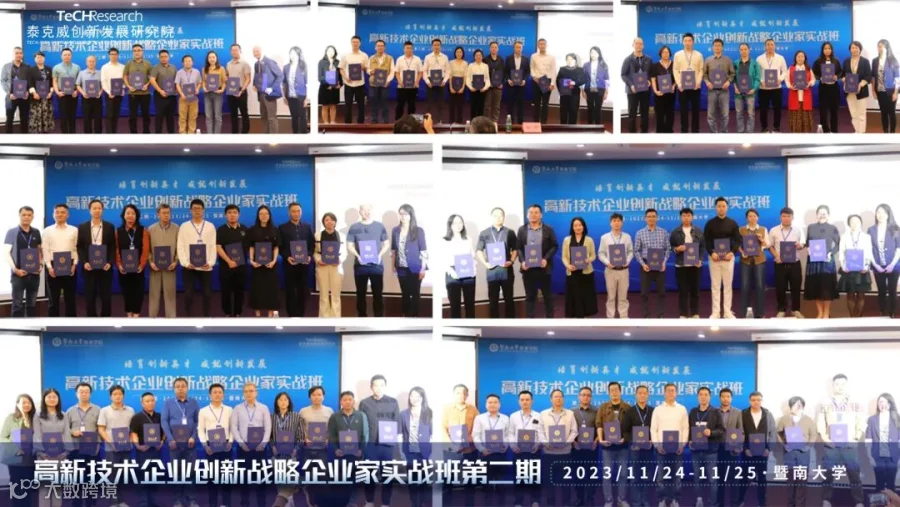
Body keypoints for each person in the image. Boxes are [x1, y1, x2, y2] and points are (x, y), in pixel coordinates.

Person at [817, 374, 866, 507]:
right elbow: (820, 423)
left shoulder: (855, 402)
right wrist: (826, 439)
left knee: (854, 474)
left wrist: (856, 438)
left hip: (849, 444)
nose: (840, 387)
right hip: (831, 445)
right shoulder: (825, 403)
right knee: (828, 473)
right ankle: (826, 500)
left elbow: (861, 421)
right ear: (833, 386)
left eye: (843, 384)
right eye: (837, 384)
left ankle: (859, 501)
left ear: (847, 385)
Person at [359, 375, 401, 507]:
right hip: (370, 445)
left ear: (385, 386)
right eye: (376, 385)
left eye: (381, 385)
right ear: (371, 387)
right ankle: (369, 501)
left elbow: (397, 422)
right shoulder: (364, 403)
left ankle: (385, 503)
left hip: (387, 445)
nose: (379, 388)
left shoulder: (393, 402)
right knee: (369, 474)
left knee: (387, 475)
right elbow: (361, 423)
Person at [160, 377, 200, 507]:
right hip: (174, 445)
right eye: (177, 386)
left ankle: (191, 499)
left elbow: (197, 421)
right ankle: (177, 500)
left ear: (187, 388)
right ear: (174, 389)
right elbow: (164, 421)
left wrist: (193, 436)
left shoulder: (193, 402)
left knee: (191, 472)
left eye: (183, 386)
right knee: (176, 472)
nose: (180, 388)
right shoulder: (168, 403)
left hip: (190, 443)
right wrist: (170, 438)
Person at [231, 383, 271, 507]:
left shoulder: (263, 408)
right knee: (244, 478)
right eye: (246, 391)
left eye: (251, 391)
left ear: (256, 393)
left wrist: (263, 443)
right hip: (244, 448)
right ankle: (244, 503)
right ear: (243, 393)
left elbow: (268, 427)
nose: (249, 393)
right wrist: (241, 443)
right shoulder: (237, 408)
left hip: (260, 448)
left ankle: (261, 504)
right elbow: (234, 427)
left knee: (261, 478)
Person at [346, 204, 390, 317]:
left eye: (369, 210)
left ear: (372, 211)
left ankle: (378, 318)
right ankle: (362, 318)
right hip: (360, 266)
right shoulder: (354, 227)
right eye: (364, 210)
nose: (367, 212)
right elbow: (349, 245)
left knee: (378, 294)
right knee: (360, 294)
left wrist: (379, 255)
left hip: (376, 266)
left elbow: (386, 244)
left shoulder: (379, 226)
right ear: (360, 212)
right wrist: (358, 256)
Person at [517, 204, 559, 318]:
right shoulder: (522, 230)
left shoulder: (548, 229)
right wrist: (522, 261)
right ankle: (530, 321)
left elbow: (554, 246)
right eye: (531, 212)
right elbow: (519, 248)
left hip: (544, 268)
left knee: (547, 296)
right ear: (527, 215)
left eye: (536, 212)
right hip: (528, 269)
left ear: (541, 215)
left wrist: (546, 258)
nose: (533, 215)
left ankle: (550, 320)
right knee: (530, 296)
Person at [650, 383, 689, 507]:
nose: (671, 393)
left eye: (673, 391)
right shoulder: (658, 409)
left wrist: (682, 444)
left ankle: (675, 499)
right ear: (664, 393)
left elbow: (685, 428)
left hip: (678, 449)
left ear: (676, 393)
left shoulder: (682, 409)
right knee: (661, 476)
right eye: (668, 391)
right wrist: (657, 445)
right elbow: (653, 429)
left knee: (676, 476)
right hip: (661, 450)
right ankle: (662, 499)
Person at [97, 384, 135, 507]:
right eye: (115, 394)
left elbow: (132, 429)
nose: (117, 396)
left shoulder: (130, 410)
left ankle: (121, 501)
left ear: (123, 395)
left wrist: (130, 440)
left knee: (123, 475)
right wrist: (111, 442)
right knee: (112, 475)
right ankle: (113, 502)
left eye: (120, 394)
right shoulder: (104, 410)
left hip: (126, 448)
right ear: (110, 396)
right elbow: (101, 429)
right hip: (111, 448)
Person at [63, 383, 101, 507]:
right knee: (76, 480)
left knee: (92, 480)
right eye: (81, 391)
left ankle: (91, 504)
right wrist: (72, 432)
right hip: (75, 450)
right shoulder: (70, 411)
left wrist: (97, 446)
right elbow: (65, 429)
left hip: (92, 451)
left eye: (86, 391)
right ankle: (76, 504)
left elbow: (100, 430)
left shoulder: (98, 410)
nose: (84, 394)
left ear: (90, 394)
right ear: (76, 394)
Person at [177, 199, 216, 317]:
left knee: (207, 294)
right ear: (190, 210)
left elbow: (213, 246)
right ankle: (188, 315)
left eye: (199, 208)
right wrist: (185, 263)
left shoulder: (210, 226)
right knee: (189, 294)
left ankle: (206, 317)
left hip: (206, 266)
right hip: (189, 267)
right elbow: (180, 246)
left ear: (203, 210)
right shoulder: (184, 226)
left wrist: (210, 262)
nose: (197, 211)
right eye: (194, 209)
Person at [476, 207, 517, 319]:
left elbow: (515, 249)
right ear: (491, 217)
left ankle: (511, 323)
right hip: (492, 271)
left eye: (500, 215)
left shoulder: (510, 232)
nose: (498, 218)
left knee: (509, 299)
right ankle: (495, 322)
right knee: (493, 300)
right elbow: (479, 250)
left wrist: (511, 261)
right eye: (495, 215)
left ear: (504, 217)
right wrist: (485, 264)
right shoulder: (484, 233)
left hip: (506, 270)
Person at [737, 392, 777, 507]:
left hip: (763, 452)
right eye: (753, 400)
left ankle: (762, 502)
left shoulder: (767, 414)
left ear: (761, 401)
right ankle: (740, 500)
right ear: (749, 401)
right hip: (747, 452)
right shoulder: (743, 414)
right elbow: (740, 432)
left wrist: (769, 448)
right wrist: (745, 448)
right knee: (744, 477)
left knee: (762, 478)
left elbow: (773, 432)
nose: (756, 402)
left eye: (758, 400)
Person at [776, 396, 817, 507]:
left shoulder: (808, 420)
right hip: (789, 453)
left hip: (803, 453)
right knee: (790, 480)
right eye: (795, 405)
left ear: (803, 406)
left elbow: (814, 435)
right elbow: (778, 433)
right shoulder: (784, 419)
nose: (797, 407)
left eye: (800, 405)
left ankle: (800, 504)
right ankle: (790, 504)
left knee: (802, 481)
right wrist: (784, 444)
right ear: (790, 407)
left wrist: (808, 446)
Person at [441, 384, 478, 507]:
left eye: (464, 393)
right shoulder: (447, 409)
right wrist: (451, 444)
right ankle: (446, 504)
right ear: (454, 394)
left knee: (470, 481)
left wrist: (469, 440)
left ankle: (469, 504)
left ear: (467, 395)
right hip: (451, 451)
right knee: (447, 480)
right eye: (458, 393)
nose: (461, 395)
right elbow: (443, 428)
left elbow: (477, 428)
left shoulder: (473, 409)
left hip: (469, 450)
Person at [77, 199, 115, 317]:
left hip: (105, 266)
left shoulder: (109, 226)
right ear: (90, 210)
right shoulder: (82, 227)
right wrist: (84, 262)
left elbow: (113, 247)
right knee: (90, 295)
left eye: (99, 208)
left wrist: (109, 262)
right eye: (94, 208)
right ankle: (91, 319)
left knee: (106, 295)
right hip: (89, 266)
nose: (97, 210)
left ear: (102, 210)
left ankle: (106, 318)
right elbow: (80, 247)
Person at [705, 197, 741, 319]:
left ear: (727, 208)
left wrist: (732, 252)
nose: (721, 208)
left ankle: (727, 312)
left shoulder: (732, 223)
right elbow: (706, 240)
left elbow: (737, 240)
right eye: (719, 206)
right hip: (714, 258)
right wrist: (711, 253)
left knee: (728, 285)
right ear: (716, 208)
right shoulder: (710, 223)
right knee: (715, 286)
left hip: (728, 258)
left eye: (723, 206)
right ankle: (715, 312)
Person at [595, 382, 631, 507]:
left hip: (623, 447)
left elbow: (631, 427)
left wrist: (625, 438)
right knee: (607, 475)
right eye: (612, 390)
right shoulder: (603, 407)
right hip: (607, 447)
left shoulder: (627, 407)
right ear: (608, 392)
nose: (614, 392)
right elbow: (599, 424)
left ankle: (621, 499)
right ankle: (608, 501)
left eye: (616, 390)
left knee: (623, 474)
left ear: (620, 391)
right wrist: (600, 439)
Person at [688, 387, 724, 507]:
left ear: (710, 397)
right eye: (701, 394)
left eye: (706, 394)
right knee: (697, 478)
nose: (703, 397)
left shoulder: (715, 411)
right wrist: (689, 440)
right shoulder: (693, 412)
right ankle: (699, 500)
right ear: (698, 396)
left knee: (712, 480)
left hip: (711, 452)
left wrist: (711, 432)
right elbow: (689, 429)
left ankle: (712, 503)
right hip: (696, 451)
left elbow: (721, 430)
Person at [4, 206, 43, 317]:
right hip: (18, 275)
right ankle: (17, 327)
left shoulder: (36, 232)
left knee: (32, 305)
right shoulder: (12, 232)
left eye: (29, 215)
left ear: (33, 217)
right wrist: (15, 269)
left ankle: (31, 326)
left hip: (34, 275)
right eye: (24, 215)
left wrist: (40, 264)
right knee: (17, 305)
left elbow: (39, 251)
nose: (26, 217)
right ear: (19, 216)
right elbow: (6, 253)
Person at [541, 389, 577, 506]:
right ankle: (550, 503)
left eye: (561, 397)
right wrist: (545, 442)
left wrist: (567, 442)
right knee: (549, 481)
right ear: (551, 399)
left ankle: (566, 503)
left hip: (565, 453)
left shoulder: (570, 414)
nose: (558, 399)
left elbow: (574, 431)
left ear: (563, 399)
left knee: (566, 481)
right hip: (549, 453)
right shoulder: (543, 414)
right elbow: (539, 431)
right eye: (556, 397)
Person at [507, 391, 543, 507]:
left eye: (527, 399)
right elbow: (510, 433)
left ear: (532, 401)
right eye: (522, 400)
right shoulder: (513, 416)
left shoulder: (538, 416)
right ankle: (518, 501)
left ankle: (535, 500)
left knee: (535, 476)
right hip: (518, 451)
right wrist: (513, 445)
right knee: (519, 476)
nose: (525, 402)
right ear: (519, 401)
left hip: (534, 451)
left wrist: (538, 444)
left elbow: (541, 433)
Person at [298, 386, 333, 507]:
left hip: (323, 450)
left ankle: (321, 503)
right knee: (310, 478)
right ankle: (311, 502)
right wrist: (304, 438)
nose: (317, 397)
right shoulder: (303, 411)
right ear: (310, 397)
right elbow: (299, 429)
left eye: (319, 394)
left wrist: (328, 439)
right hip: (308, 450)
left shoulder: (329, 411)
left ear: (323, 396)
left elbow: (332, 429)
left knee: (323, 478)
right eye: (314, 395)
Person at [199, 384, 233, 507]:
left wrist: (231, 441)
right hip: (210, 446)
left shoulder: (229, 410)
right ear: (210, 395)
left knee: (226, 477)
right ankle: (212, 504)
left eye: (220, 392)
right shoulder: (203, 411)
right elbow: (200, 430)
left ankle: (226, 504)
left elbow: (232, 428)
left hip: (226, 445)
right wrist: (205, 445)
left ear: (223, 394)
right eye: (215, 392)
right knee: (212, 477)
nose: (217, 394)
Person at [392, 204, 428, 317]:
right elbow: (394, 250)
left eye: (406, 214)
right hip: (401, 268)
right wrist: (393, 265)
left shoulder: (418, 231)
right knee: (405, 293)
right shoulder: (395, 230)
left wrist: (423, 269)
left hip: (415, 268)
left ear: (411, 215)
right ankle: (406, 315)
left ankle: (415, 316)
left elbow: (423, 251)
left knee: (415, 293)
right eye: (401, 213)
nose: (403, 216)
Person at [805, 205, 841, 318]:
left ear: (828, 215)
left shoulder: (832, 228)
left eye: (824, 213)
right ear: (816, 215)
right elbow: (807, 242)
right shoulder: (811, 227)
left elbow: (839, 244)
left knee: (827, 288)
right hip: (814, 261)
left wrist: (831, 253)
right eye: (820, 213)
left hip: (827, 261)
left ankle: (826, 312)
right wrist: (808, 249)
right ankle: (819, 312)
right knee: (816, 287)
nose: (822, 215)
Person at [769, 207, 805, 318]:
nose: (786, 218)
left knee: (796, 288)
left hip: (795, 263)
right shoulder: (774, 230)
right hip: (780, 263)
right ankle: (781, 309)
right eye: (784, 216)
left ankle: (796, 310)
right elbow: (770, 246)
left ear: (792, 217)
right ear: (780, 217)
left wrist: (800, 246)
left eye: (788, 216)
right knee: (780, 288)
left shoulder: (798, 229)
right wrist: (776, 256)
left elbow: (803, 244)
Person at [278, 202, 314, 317]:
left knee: (303, 290)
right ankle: (291, 314)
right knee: (290, 290)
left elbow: (311, 245)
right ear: (289, 213)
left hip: (304, 264)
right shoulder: (282, 228)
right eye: (293, 211)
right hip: (289, 264)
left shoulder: (307, 227)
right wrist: (287, 256)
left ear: (301, 212)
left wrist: (309, 255)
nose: (296, 213)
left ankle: (301, 314)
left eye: (298, 211)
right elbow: (280, 247)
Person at [42, 203, 78, 317]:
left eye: (63, 212)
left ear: (67, 215)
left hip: (70, 266)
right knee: (53, 300)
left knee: (70, 298)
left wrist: (74, 264)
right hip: (52, 267)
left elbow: (76, 249)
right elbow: (45, 250)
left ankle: (71, 324)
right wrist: (49, 267)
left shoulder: (74, 230)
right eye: (57, 212)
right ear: (53, 214)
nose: (59, 214)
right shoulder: (47, 231)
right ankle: (53, 324)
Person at [0, 393, 35, 507]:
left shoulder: (34, 419)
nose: (26, 405)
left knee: (28, 487)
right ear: (17, 404)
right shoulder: (11, 418)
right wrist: (15, 447)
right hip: (15, 458)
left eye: (28, 402)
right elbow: (2, 437)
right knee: (16, 487)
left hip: (31, 459)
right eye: (23, 402)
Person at [622, 385, 654, 507]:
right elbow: (625, 431)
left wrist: (652, 440)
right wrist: (633, 441)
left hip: (648, 449)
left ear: (648, 395)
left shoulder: (652, 411)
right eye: (640, 393)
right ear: (636, 395)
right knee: (635, 477)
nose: (642, 395)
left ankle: (645, 500)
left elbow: (655, 429)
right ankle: (636, 501)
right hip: (634, 449)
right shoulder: (630, 411)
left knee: (646, 475)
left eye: (645, 393)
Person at [472, 393, 506, 506]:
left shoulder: (505, 418)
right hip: (485, 454)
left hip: (500, 455)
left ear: (499, 404)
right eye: (490, 402)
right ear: (486, 405)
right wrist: (482, 449)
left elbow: (507, 435)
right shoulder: (479, 418)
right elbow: (475, 435)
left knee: (501, 484)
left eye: (495, 402)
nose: (493, 404)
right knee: (486, 484)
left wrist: (505, 445)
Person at [597, 213, 633, 319]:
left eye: (618, 220)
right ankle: (610, 317)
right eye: (614, 221)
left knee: (623, 296)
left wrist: (628, 260)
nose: (616, 223)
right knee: (611, 296)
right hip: (610, 270)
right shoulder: (604, 237)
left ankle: (624, 317)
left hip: (623, 270)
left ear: (622, 222)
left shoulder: (627, 237)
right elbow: (601, 253)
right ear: (610, 223)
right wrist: (607, 262)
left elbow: (631, 251)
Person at [115, 204, 149, 318]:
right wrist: (119, 264)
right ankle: (129, 315)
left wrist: (142, 264)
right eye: (128, 213)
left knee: (138, 293)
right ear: (123, 216)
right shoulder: (118, 231)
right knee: (126, 293)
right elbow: (116, 249)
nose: (130, 216)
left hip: (138, 269)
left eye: (133, 213)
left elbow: (145, 249)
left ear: (136, 216)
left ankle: (136, 315)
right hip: (123, 269)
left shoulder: (143, 230)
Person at [634, 208, 669, 318]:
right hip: (646, 264)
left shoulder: (663, 232)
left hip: (660, 265)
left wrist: (664, 262)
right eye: (649, 217)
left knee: (661, 292)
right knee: (644, 293)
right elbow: (636, 250)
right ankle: (646, 315)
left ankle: (660, 315)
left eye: (653, 216)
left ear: (657, 218)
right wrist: (642, 264)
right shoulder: (640, 233)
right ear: (645, 218)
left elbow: (668, 249)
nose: (651, 219)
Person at [33, 389, 66, 507]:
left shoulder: (63, 415)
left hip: (60, 456)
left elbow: (66, 434)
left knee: (58, 488)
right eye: (49, 397)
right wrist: (41, 452)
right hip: (44, 457)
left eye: (54, 397)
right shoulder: (38, 415)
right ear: (44, 399)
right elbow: (37, 435)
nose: (52, 399)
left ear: (58, 399)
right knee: (45, 489)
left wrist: (66, 452)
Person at [130, 392, 163, 507]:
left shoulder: (160, 416)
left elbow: (164, 432)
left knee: (154, 477)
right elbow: (133, 433)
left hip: (156, 451)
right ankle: (143, 503)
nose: (150, 403)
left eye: (152, 401)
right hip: (143, 451)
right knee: (142, 477)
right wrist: (138, 446)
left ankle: (153, 502)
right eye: (147, 401)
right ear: (142, 403)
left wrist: (162, 442)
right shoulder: (137, 417)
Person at [248, 205, 281, 317]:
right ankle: (257, 316)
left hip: (270, 265)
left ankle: (270, 315)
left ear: (269, 215)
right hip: (257, 265)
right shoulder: (252, 230)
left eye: (266, 213)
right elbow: (251, 247)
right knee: (257, 290)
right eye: (261, 214)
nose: (264, 216)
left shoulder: (275, 230)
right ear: (258, 216)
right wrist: (251, 260)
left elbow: (276, 247)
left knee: (271, 290)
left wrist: (274, 261)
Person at [270, 392, 303, 507]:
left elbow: (300, 436)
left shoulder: (296, 416)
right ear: (277, 402)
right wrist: (272, 446)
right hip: (277, 455)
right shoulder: (272, 417)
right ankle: (283, 503)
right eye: (280, 400)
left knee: (290, 480)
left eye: (285, 399)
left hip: (291, 455)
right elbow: (269, 435)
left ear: (289, 402)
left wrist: (296, 449)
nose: (283, 402)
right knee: (279, 480)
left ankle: (290, 503)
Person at [670, 207, 703, 319]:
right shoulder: (675, 232)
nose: (686, 218)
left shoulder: (698, 231)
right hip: (681, 265)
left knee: (695, 291)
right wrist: (677, 249)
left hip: (695, 265)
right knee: (682, 291)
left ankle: (695, 313)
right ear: (680, 217)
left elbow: (702, 247)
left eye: (688, 215)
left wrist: (700, 259)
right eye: (684, 216)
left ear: (692, 217)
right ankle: (683, 314)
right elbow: (670, 246)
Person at [215, 204, 247, 318]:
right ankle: (227, 313)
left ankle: (238, 313)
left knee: (240, 291)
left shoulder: (244, 229)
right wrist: (229, 261)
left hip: (241, 266)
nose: (232, 215)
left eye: (234, 212)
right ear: (225, 215)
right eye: (229, 213)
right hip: (226, 266)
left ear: (238, 214)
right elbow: (218, 247)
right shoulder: (221, 230)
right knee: (226, 291)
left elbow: (248, 246)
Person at [561, 216, 597, 318]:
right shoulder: (567, 240)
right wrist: (568, 265)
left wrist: (589, 260)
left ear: (583, 226)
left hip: (586, 272)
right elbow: (564, 257)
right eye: (575, 225)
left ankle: (585, 315)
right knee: (574, 295)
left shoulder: (589, 240)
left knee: (585, 295)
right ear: (572, 227)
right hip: (572, 272)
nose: (578, 227)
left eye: (580, 225)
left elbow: (593, 255)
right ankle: (575, 316)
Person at [838, 214, 873, 317]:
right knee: (850, 294)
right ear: (849, 224)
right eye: (852, 222)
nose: (855, 224)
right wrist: (843, 265)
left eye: (857, 221)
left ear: (861, 223)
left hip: (862, 269)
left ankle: (858, 318)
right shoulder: (844, 236)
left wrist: (867, 266)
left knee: (861, 295)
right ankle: (852, 317)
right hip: (848, 269)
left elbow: (869, 252)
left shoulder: (866, 237)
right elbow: (841, 252)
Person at [147, 204, 178, 318]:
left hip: (170, 267)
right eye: (163, 213)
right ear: (158, 214)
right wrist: (150, 262)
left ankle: (171, 320)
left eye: (168, 213)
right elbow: (147, 249)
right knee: (154, 294)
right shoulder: (151, 229)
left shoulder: (176, 228)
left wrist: (176, 261)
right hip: (155, 267)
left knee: (170, 294)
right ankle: (152, 319)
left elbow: (179, 247)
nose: (166, 215)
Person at [870, 203, 900, 317]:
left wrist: (892, 265)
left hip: (894, 265)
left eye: (883, 213)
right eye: (878, 212)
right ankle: (882, 312)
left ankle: (892, 313)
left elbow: (898, 249)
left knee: (892, 290)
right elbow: (869, 249)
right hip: (878, 265)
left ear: (888, 214)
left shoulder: (895, 229)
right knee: (881, 290)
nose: (880, 215)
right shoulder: (871, 230)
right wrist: (875, 265)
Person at [867, 394, 900, 494]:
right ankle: (879, 502)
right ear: (878, 404)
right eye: (880, 402)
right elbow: (868, 440)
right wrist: (870, 457)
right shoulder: (872, 419)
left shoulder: (897, 419)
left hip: (893, 457)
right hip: (878, 456)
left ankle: (891, 501)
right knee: (879, 483)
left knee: (891, 484)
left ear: (890, 404)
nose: (883, 404)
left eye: (886, 402)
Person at [313, 212, 345, 317]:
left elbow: (345, 252)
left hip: (336, 267)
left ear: (335, 222)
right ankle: (324, 318)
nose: (329, 222)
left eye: (332, 220)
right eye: (327, 220)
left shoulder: (341, 235)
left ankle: (336, 318)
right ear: (323, 222)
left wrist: (340, 260)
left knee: (336, 295)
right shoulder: (317, 235)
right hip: (322, 267)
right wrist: (318, 260)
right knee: (323, 295)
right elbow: (314, 251)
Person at [570, 387, 597, 507]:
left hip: (592, 448)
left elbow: (600, 428)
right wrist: (573, 442)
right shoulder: (572, 411)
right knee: (578, 474)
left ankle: (590, 498)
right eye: (583, 395)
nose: (585, 397)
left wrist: (596, 441)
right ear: (579, 396)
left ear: (591, 397)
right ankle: (579, 498)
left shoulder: (597, 411)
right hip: (577, 448)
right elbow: (568, 429)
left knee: (591, 474)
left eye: (588, 395)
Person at [445, 214, 476, 319]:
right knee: (455, 306)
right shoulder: (445, 240)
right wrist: (451, 271)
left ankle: (471, 328)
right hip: (452, 272)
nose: (458, 225)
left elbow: (472, 256)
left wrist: (474, 269)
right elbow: (442, 259)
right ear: (450, 225)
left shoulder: (468, 239)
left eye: (460, 222)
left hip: (468, 272)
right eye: (455, 223)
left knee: (470, 305)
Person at [739, 208, 768, 319]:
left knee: (760, 286)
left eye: (754, 216)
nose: (752, 218)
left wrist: (761, 240)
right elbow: (737, 244)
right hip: (745, 260)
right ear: (747, 218)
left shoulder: (763, 229)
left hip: (759, 260)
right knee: (745, 286)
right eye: (750, 216)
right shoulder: (741, 230)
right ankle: (744, 313)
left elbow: (766, 245)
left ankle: (760, 313)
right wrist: (742, 252)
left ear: (758, 218)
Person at [717, 388, 744, 507]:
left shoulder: (738, 413)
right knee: (719, 479)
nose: (725, 399)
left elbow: (741, 431)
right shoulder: (714, 412)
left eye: (728, 396)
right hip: (718, 450)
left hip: (733, 450)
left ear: (731, 398)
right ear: (720, 398)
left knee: (734, 480)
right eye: (723, 396)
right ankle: (720, 504)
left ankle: (734, 503)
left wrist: (738, 446)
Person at [673, 33, 703, 133]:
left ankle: (695, 131)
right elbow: (675, 70)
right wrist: (679, 84)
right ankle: (684, 131)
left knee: (695, 110)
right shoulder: (677, 55)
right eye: (685, 40)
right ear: (682, 42)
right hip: (682, 87)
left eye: (689, 40)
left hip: (695, 87)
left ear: (693, 42)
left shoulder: (699, 55)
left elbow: (701, 70)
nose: (687, 43)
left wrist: (698, 82)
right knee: (683, 111)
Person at [703, 38, 734, 133]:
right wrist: (707, 82)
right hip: (712, 91)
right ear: (712, 47)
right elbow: (704, 74)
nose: (717, 47)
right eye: (715, 45)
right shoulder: (708, 60)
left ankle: (723, 133)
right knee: (710, 115)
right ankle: (714, 133)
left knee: (725, 115)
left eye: (719, 45)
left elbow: (732, 73)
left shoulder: (727, 60)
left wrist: (728, 82)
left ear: (722, 47)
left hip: (724, 91)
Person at [757, 38, 788, 133]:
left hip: (776, 88)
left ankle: (776, 128)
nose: (770, 46)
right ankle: (764, 128)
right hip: (763, 88)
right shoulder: (759, 58)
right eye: (768, 44)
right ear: (765, 46)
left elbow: (785, 71)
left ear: (775, 46)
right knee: (763, 109)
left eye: (772, 44)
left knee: (777, 109)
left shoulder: (780, 58)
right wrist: (761, 81)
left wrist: (780, 79)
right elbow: (757, 73)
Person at [622, 38, 652, 133]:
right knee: (632, 113)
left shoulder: (648, 59)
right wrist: (631, 85)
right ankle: (632, 134)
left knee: (645, 113)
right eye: (637, 43)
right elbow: (623, 75)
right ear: (633, 45)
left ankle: (644, 132)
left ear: (643, 46)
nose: (639, 45)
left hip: (645, 90)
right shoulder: (628, 59)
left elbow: (651, 73)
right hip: (632, 91)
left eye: (641, 44)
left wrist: (649, 80)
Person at [252, 45, 284, 133]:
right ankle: (266, 137)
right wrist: (254, 84)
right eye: (254, 52)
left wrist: (272, 88)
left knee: (272, 118)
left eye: (257, 51)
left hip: (269, 94)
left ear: (261, 51)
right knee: (263, 117)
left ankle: (273, 139)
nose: (255, 53)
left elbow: (280, 75)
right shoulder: (256, 64)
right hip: (260, 94)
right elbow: (256, 75)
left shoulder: (269, 62)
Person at [813, 42, 843, 133]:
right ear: (822, 50)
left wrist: (837, 76)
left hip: (834, 88)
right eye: (825, 49)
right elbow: (814, 72)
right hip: (823, 88)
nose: (827, 50)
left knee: (834, 111)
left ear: (831, 50)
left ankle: (834, 130)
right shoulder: (818, 61)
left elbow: (840, 72)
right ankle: (825, 130)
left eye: (829, 48)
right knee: (823, 111)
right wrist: (820, 78)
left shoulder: (836, 60)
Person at [843, 41, 872, 134]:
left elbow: (868, 76)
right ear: (850, 50)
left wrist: (860, 84)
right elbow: (843, 75)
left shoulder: (865, 61)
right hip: (849, 92)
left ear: (860, 49)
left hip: (861, 91)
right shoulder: (846, 61)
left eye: (856, 48)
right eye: (852, 48)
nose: (854, 49)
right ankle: (856, 131)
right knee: (853, 113)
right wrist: (845, 80)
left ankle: (861, 133)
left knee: (861, 114)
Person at [123, 44, 152, 134]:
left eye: (139, 50)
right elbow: (125, 76)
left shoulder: (147, 63)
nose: (137, 52)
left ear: (142, 52)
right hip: (133, 94)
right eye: (135, 51)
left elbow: (152, 77)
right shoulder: (129, 63)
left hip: (145, 93)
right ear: (133, 52)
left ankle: (146, 132)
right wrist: (129, 86)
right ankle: (133, 133)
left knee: (146, 114)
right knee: (132, 116)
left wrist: (147, 84)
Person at [339, 36, 367, 124]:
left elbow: (367, 69)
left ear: (360, 43)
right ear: (351, 43)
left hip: (360, 84)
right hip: (349, 84)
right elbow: (341, 68)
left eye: (357, 42)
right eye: (353, 42)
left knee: (361, 105)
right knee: (348, 105)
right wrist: (345, 77)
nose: (355, 43)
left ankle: (361, 123)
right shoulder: (345, 55)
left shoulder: (364, 55)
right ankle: (348, 124)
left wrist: (363, 67)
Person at [51, 48, 80, 134]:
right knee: (63, 115)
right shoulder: (56, 68)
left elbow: (79, 82)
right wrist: (57, 92)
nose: (67, 56)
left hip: (73, 94)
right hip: (62, 94)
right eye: (65, 55)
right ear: (61, 56)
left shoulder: (77, 67)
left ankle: (72, 133)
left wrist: (77, 91)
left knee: (72, 115)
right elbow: (54, 81)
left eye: (69, 55)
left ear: (71, 56)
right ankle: (64, 134)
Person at [873, 39, 899, 133]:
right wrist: (873, 91)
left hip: (891, 91)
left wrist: (896, 92)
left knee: (891, 113)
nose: (880, 48)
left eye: (882, 46)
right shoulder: (875, 61)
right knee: (883, 112)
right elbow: (873, 77)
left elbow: (897, 78)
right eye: (879, 46)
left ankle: (892, 132)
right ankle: (885, 132)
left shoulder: (893, 60)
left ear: (887, 48)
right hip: (880, 91)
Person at [734, 42, 760, 134]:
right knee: (739, 114)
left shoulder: (754, 63)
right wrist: (735, 87)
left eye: (745, 49)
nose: (743, 51)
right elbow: (733, 77)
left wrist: (754, 89)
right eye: (741, 49)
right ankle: (740, 132)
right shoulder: (736, 63)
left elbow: (757, 78)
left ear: (749, 50)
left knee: (751, 114)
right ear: (739, 51)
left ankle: (749, 132)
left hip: (750, 93)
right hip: (738, 93)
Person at [149, 49, 177, 134]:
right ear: (159, 58)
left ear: (168, 57)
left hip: (171, 95)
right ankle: (158, 135)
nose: (164, 58)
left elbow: (176, 81)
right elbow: (152, 80)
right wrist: (160, 91)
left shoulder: (173, 67)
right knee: (159, 116)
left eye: (165, 56)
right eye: (162, 57)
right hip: (160, 95)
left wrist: (176, 90)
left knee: (171, 116)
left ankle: (171, 134)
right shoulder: (156, 67)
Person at [2, 46, 30, 133]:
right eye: (16, 53)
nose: (19, 55)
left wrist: (28, 92)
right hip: (10, 97)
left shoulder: (27, 66)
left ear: (23, 55)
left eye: (20, 53)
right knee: (9, 118)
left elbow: (30, 81)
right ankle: (8, 137)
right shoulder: (6, 66)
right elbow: (3, 80)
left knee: (24, 118)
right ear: (13, 54)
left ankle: (25, 137)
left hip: (24, 97)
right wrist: (9, 93)